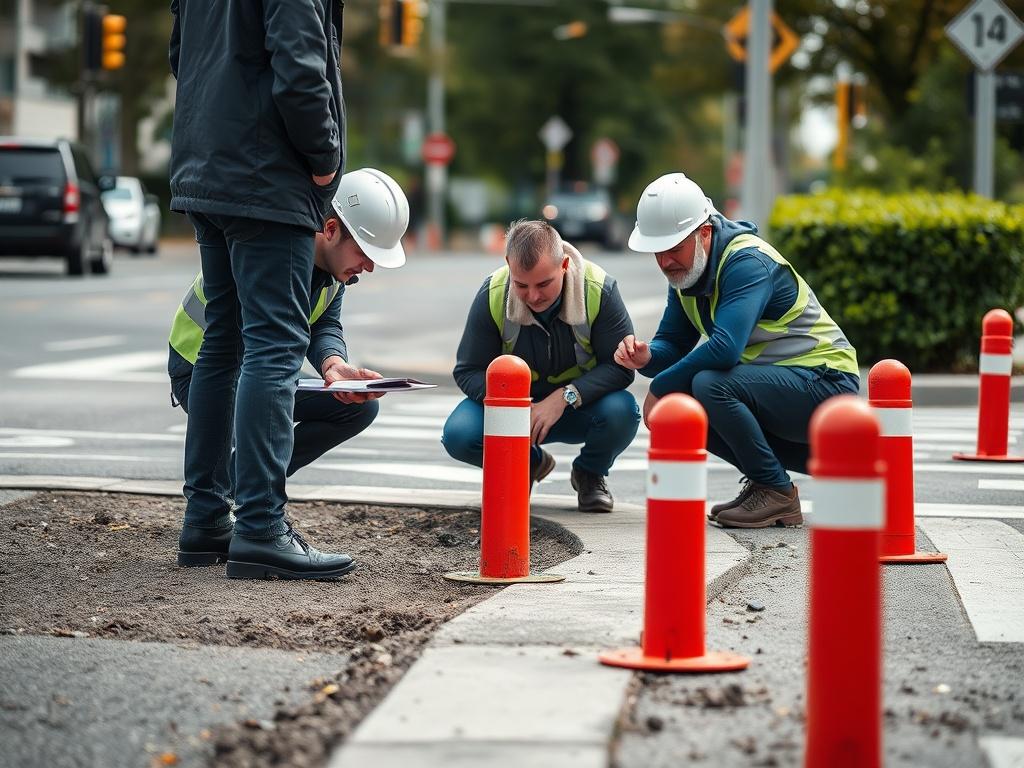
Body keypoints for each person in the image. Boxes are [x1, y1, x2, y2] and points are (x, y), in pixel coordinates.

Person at [169, 0, 347, 579]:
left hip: (206, 164)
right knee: (271, 347)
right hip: (268, 175)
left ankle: (205, 520)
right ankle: (261, 528)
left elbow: (180, 54)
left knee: (223, 342)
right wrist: (323, 159)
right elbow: (300, 65)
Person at [169, 170, 409, 572]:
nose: (369, 267)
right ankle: (246, 508)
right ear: (330, 229)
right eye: (366, 252)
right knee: (257, 381)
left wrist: (334, 366)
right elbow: (256, 352)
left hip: (251, 377)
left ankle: (230, 489)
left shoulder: (332, 271)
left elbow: (325, 324)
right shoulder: (274, 257)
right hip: (200, 371)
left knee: (357, 407)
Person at [616, 173, 859, 528]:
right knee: (689, 394)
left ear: (705, 233)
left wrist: (659, 387)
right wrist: (647, 357)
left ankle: (776, 490)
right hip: (786, 390)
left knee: (709, 384)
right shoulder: (688, 274)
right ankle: (767, 482)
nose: (666, 261)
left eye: (674, 248)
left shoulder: (747, 263)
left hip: (828, 385)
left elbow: (725, 350)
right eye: (658, 251)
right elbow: (673, 344)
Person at [443, 219, 640, 513]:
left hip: (577, 407)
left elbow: (621, 369)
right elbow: (467, 370)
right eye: (521, 285)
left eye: (544, 283)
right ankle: (529, 462)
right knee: (460, 434)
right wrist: (515, 408)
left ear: (563, 265)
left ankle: (589, 473)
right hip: (516, 412)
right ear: (509, 264)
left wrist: (564, 397)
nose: (533, 296)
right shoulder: (493, 292)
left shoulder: (600, 290)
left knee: (622, 411)